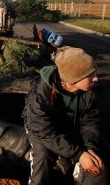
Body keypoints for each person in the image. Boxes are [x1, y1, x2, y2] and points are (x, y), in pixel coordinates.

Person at [23, 46, 108, 184]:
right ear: (73, 80)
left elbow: (90, 121)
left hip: (69, 125)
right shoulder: (40, 94)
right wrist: (79, 154)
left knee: (99, 160)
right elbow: (43, 131)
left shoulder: (90, 91)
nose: (96, 79)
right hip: (43, 132)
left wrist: (89, 147)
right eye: (90, 75)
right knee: (43, 158)